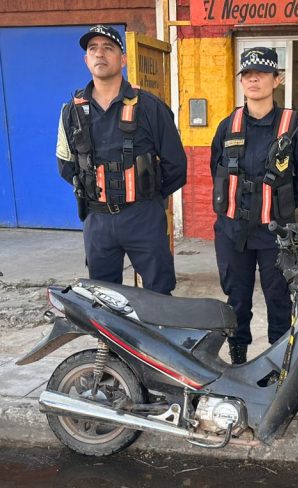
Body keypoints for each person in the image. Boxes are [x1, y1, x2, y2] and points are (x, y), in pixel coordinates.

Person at [56, 25, 186, 295]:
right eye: (93, 49)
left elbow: (177, 166)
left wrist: (148, 197)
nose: (99, 54)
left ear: (123, 59)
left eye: (108, 48)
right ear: (86, 60)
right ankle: (109, 341)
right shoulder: (72, 111)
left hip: (144, 216)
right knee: (103, 298)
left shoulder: (150, 107)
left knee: (159, 294)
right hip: (98, 220)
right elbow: (66, 166)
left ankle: (157, 336)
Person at [210, 47, 298, 364]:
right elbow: (216, 170)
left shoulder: (293, 126)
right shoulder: (227, 125)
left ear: (277, 80)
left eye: (261, 73)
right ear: (242, 81)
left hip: (275, 234)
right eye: (247, 73)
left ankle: (278, 366)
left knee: (279, 302)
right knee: (236, 302)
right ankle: (239, 361)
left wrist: (279, 205)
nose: (253, 78)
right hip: (232, 232)